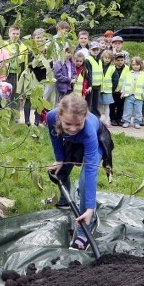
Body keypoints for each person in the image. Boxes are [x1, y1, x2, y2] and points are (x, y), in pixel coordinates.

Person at [46, 94, 110, 251]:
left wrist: (89, 207)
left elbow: (90, 170)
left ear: (85, 116)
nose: (73, 128)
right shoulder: (51, 117)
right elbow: (55, 137)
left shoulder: (88, 131)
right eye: (68, 124)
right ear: (59, 115)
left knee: (83, 182)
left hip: (97, 140)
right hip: (73, 142)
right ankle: (65, 201)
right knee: (60, 172)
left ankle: (86, 227)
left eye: (78, 124)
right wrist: (60, 159)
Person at [122, 56, 144, 128]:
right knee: (127, 109)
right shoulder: (128, 73)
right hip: (129, 95)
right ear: (131, 65)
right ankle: (126, 121)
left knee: (138, 110)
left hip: (139, 96)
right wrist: (123, 91)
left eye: (137, 65)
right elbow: (124, 83)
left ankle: (137, 122)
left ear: (140, 65)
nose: (135, 66)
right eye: (133, 65)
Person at [108, 51, 129, 126]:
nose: (120, 62)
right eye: (118, 60)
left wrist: (125, 90)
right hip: (113, 90)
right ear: (115, 60)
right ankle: (112, 119)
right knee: (112, 106)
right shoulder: (112, 68)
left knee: (120, 106)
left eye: (121, 60)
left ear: (124, 60)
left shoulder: (127, 68)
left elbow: (128, 80)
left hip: (121, 91)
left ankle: (119, 119)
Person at [85, 40, 103, 117]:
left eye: (97, 49)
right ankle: (88, 117)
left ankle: (96, 117)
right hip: (91, 86)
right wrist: (90, 85)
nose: (95, 51)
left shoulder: (99, 60)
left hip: (98, 85)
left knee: (96, 104)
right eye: (93, 50)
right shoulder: (88, 59)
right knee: (89, 103)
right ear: (90, 50)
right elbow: (89, 73)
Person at [98, 49, 115, 124]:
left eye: (109, 58)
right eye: (105, 58)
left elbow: (115, 79)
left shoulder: (112, 67)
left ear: (111, 59)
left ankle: (107, 120)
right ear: (102, 58)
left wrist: (113, 88)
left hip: (108, 90)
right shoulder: (99, 65)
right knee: (100, 105)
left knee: (107, 106)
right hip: (100, 89)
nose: (107, 59)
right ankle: (99, 119)